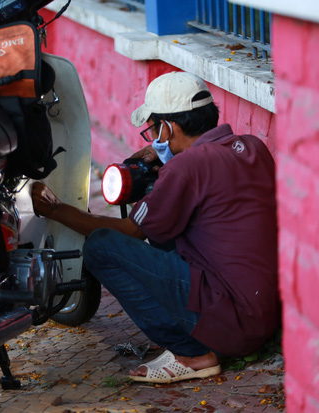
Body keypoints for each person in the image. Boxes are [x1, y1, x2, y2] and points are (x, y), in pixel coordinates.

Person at [31, 71, 280, 384]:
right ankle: (199, 335)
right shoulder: (252, 146)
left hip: (233, 326)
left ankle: (191, 352)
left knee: (101, 246)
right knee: (167, 228)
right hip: (263, 316)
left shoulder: (186, 168)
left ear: (168, 127)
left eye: (153, 130)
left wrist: (56, 209)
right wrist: (170, 162)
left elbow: (130, 231)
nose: (154, 139)